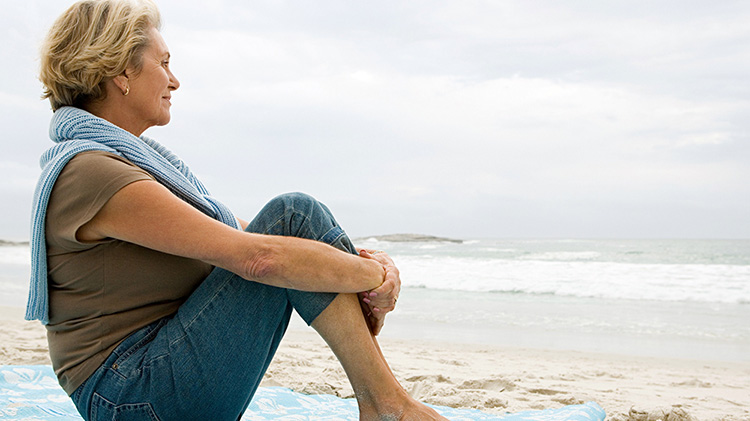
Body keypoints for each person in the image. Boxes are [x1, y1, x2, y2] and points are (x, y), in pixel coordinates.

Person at [28, 0, 447, 419]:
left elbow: (259, 239)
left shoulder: (127, 164)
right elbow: (260, 257)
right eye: (164, 63)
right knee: (293, 214)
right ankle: (389, 405)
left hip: (146, 380)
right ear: (121, 72)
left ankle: (385, 403)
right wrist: (374, 278)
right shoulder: (92, 172)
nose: (175, 81)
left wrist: (368, 269)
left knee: (293, 224)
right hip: (131, 395)